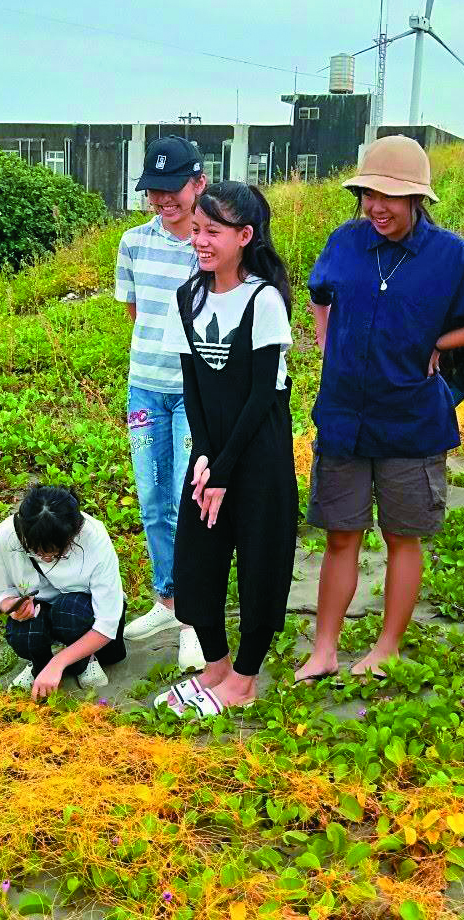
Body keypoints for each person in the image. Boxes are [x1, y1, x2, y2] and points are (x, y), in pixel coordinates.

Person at [293, 136, 464, 683]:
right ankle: (325, 649)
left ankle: (387, 647)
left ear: (417, 200)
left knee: (403, 536)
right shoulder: (346, 241)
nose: (377, 207)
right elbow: (319, 294)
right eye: (368, 195)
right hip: (343, 419)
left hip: (411, 421)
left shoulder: (450, 255)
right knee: (339, 535)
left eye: (390, 197)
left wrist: (441, 343)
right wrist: (330, 346)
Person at [153, 182, 298, 716]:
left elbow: (263, 396)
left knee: (261, 563)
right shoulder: (187, 297)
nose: (200, 241)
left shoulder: (263, 300)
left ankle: (243, 679)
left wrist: (224, 471)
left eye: (213, 232)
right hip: (212, 453)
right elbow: (192, 387)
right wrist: (207, 462)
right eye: (196, 230)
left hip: (259, 458)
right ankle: (214, 666)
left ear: (244, 236)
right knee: (198, 562)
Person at [115, 135, 209, 672]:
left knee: (188, 501)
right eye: (154, 191)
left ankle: (195, 619)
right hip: (145, 388)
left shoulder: (210, 243)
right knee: (152, 500)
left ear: (198, 183)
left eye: (172, 189)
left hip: (195, 393)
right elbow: (136, 313)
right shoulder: (133, 243)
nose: (163, 201)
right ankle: (167, 601)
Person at [0, 485, 127, 697]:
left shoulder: (93, 537)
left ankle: (84, 661)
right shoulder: (5, 536)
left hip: (81, 611)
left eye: (57, 553)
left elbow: (107, 622)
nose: (46, 559)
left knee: (70, 611)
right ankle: (38, 665)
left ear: (74, 533)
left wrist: (59, 663)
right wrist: (12, 607)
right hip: (40, 609)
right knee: (24, 634)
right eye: (37, 552)